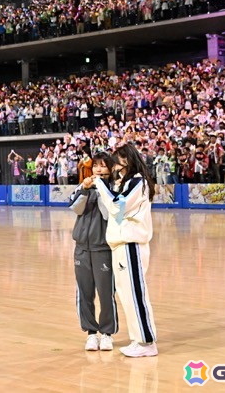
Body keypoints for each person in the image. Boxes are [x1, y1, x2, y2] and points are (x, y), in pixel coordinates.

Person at [94, 144, 158, 357]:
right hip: (121, 245)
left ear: (128, 161)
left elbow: (116, 206)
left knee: (135, 293)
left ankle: (147, 342)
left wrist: (99, 183)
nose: (114, 167)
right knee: (126, 294)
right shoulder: (126, 183)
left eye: (118, 162)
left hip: (131, 244)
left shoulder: (138, 181)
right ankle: (138, 339)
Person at [70, 152, 117, 352]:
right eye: (96, 165)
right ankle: (91, 333)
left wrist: (102, 190)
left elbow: (108, 213)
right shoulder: (84, 186)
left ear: (111, 169)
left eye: (103, 165)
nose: (98, 169)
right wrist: (84, 189)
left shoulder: (115, 189)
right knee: (84, 293)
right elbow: (76, 209)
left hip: (103, 248)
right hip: (81, 248)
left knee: (106, 293)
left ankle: (107, 333)